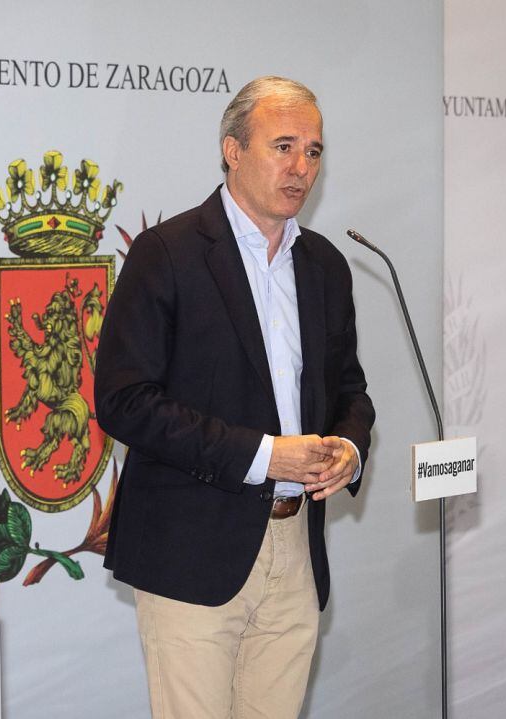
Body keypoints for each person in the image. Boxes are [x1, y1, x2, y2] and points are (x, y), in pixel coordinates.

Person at [94, 76, 375, 718]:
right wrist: (263, 456)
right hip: (191, 549)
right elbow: (124, 400)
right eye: (283, 146)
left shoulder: (325, 265)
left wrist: (348, 450)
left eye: (313, 151)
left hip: (296, 548)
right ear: (233, 150)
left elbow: (350, 390)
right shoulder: (166, 254)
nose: (301, 167)